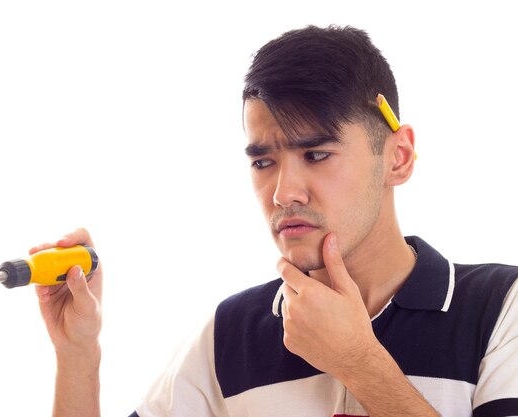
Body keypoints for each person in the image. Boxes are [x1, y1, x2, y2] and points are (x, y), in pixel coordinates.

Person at [33, 25, 518, 417]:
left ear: (398, 156)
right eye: (263, 162)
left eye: (317, 153)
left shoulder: (501, 309)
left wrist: (360, 364)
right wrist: (78, 356)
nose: (284, 192)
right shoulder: (227, 337)